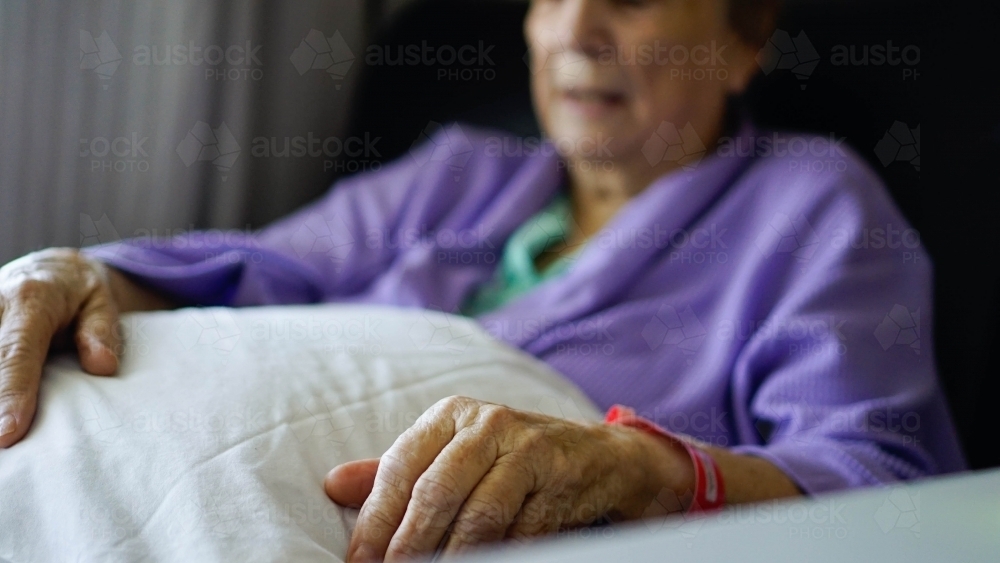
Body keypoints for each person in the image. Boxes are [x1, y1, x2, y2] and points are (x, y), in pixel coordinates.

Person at [0, 0, 964, 560]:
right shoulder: (462, 169)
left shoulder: (813, 202)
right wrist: (81, 275)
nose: (575, 29)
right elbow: (257, 265)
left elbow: (889, 490)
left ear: (744, 40)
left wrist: (659, 473)